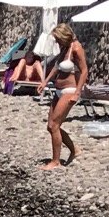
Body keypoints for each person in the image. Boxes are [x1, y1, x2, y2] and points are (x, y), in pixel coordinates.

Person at [44, 23, 87, 168]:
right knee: (50, 126)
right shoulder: (64, 48)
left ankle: (55, 161)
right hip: (58, 90)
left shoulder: (76, 48)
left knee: (55, 125)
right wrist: (45, 81)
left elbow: (84, 71)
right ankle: (74, 150)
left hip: (69, 90)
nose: (56, 42)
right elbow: (57, 67)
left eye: (57, 38)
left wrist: (77, 92)